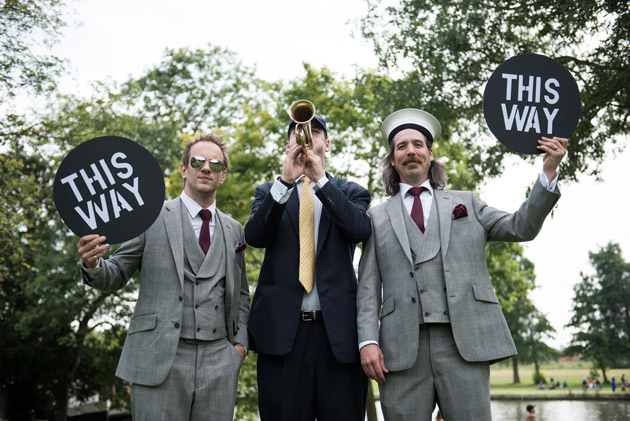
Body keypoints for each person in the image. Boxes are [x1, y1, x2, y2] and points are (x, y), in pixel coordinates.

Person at [357, 108, 567, 420]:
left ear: (430, 154)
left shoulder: (467, 202)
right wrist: (367, 341)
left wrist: (548, 172)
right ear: (392, 159)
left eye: (417, 144)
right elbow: (368, 286)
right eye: (401, 147)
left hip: (464, 343)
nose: (410, 151)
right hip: (398, 350)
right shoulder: (374, 217)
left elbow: (521, 226)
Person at [77, 134, 250, 421]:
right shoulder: (151, 217)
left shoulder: (234, 229)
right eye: (198, 161)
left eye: (215, 164)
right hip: (160, 357)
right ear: (184, 169)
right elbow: (117, 272)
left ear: (223, 176)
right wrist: (92, 263)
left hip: (220, 360)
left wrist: (239, 348)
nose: (206, 168)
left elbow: (241, 294)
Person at [245, 112, 372, 421]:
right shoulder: (268, 192)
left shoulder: (351, 191)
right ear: (287, 144)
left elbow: (360, 230)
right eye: (298, 132)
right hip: (282, 339)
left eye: (314, 132)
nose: (305, 137)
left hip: (338, 339)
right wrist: (286, 181)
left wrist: (321, 181)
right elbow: (255, 237)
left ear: (326, 144)